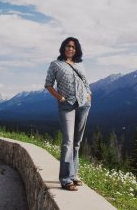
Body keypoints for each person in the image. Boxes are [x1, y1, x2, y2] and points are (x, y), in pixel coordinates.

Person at [44, 37, 92, 191]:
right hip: (67, 105)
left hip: (84, 104)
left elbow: (85, 81)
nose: (70, 49)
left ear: (76, 49)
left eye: (73, 47)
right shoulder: (55, 64)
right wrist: (59, 97)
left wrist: (89, 94)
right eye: (68, 46)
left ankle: (74, 175)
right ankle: (65, 179)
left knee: (77, 143)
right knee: (68, 142)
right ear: (63, 48)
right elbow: (48, 84)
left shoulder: (80, 64)